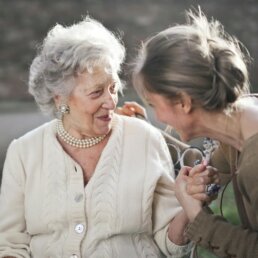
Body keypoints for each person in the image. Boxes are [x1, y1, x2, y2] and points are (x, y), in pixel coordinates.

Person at [0, 16, 218, 258]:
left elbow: (171, 244)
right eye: (96, 92)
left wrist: (187, 205)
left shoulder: (143, 139)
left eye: (113, 88)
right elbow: (10, 245)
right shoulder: (24, 152)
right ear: (59, 98)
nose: (111, 101)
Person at [132, 8, 258, 258]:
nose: (159, 118)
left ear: (183, 102)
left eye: (155, 105)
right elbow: (213, 174)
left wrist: (198, 216)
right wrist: (205, 184)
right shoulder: (238, 129)